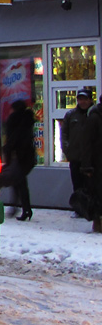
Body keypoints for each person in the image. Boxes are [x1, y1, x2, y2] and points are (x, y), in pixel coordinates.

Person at [4, 99, 36, 221]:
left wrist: (8, 151)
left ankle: (24, 209)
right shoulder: (27, 120)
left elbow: (12, 138)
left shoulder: (14, 120)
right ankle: (24, 208)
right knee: (20, 182)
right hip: (27, 155)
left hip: (18, 155)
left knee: (19, 182)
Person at [62, 88, 94, 194]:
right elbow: (64, 134)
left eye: (85, 99)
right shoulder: (71, 115)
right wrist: (67, 150)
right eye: (80, 99)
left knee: (91, 186)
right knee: (77, 185)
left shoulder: (94, 115)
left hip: (92, 159)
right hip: (75, 157)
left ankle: (91, 209)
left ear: (90, 100)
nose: (82, 102)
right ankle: (79, 208)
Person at [82, 100, 102, 233]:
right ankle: (97, 222)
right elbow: (87, 143)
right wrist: (87, 166)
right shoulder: (95, 118)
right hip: (97, 163)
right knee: (98, 194)